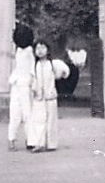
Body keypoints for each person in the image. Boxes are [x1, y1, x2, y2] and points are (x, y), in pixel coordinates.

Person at [26, 40, 70, 152]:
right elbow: (32, 80)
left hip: (51, 97)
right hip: (39, 98)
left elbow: (65, 71)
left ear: (48, 50)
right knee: (38, 120)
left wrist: (62, 74)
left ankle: (51, 144)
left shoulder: (53, 64)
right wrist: (34, 89)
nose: (40, 51)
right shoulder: (34, 65)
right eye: (37, 48)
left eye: (42, 48)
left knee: (51, 121)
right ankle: (38, 143)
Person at [8, 22, 35, 150]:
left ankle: (15, 139)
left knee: (20, 113)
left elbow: (31, 68)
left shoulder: (27, 51)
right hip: (21, 83)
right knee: (25, 113)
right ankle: (28, 140)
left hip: (21, 84)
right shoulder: (23, 50)